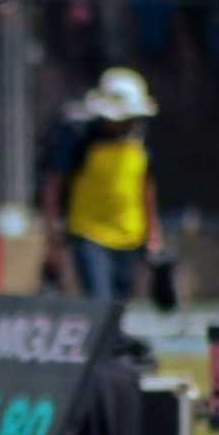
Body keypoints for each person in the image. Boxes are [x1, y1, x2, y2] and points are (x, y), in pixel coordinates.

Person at [41, 67, 163, 303]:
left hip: (130, 236)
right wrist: (52, 234)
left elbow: (147, 186)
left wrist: (154, 234)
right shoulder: (80, 139)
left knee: (120, 305)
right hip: (90, 234)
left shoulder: (141, 141)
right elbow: (54, 185)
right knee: (100, 301)